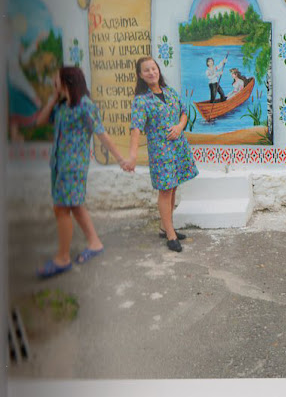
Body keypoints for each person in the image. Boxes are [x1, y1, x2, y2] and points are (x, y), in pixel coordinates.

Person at [35, 66, 126, 278]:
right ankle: (95, 243)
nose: (53, 81)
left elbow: (101, 134)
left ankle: (62, 258)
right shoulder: (61, 106)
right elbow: (40, 122)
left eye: (56, 79)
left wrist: (121, 159)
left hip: (73, 167)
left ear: (67, 80)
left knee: (61, 208)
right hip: (59, 165)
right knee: (74, 205)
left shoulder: (85, 105)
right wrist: (53, 98)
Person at [123, 57, 199, 252]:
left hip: (178, 148)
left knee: (173, 187)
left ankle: (166, 227)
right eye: (146, 70)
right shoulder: (141, 101)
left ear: (158, 70)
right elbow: (136, 128)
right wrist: (132, 155)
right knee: (165, 190)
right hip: (161, 153)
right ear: (140, 75)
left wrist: (179, 127)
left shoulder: (169, 92)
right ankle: (170, 235)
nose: (151, 72)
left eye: (153, 68)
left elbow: (184, 113)